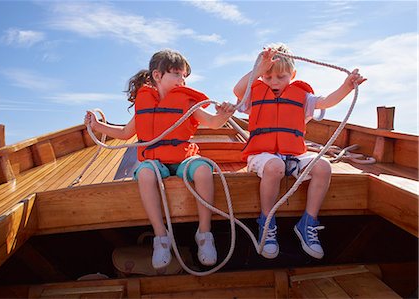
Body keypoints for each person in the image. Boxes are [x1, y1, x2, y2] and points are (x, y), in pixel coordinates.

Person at [85, 49, 235, 269]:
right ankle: (161, 237)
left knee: (203, 169)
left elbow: (213, 123)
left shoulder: (188, 101)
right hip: (155, 161)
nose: (182, 80)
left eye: (184, 76)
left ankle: (204, 234)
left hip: (183, 158)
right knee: (145, 172)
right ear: (158, 76)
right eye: (177, 74)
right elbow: (126, 133)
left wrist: (224, 114)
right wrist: (97, 126)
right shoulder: (144, 102)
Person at [233, 43, 366, 259]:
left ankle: (307, 223)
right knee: (275, 166)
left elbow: (326, 102)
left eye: (281, 77)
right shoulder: (253, 93)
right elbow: (239, 90)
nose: (274, 82)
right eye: (267, 77)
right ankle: (266, 223)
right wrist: (259, 69)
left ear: (292, 74)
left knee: (323, 167)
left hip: (294, 155)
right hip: (261, 156)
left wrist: (347, 86)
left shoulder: (302, 97)